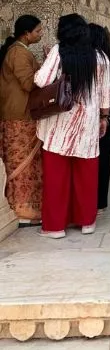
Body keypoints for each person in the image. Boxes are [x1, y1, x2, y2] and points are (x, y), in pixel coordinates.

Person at [34, 14, 110, 239]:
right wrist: (104, 118)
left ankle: (55, 227)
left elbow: (41, 80)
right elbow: (105, 93)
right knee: (86, 175)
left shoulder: (58, 52)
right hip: (87, 123)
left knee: (56, 178)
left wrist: (47, 62)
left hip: (59, 124)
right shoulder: (100, 57)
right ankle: (87, 222)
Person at [0, 15, 43, 226]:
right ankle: (22, 212)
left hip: (23, 115)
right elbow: (28, 83)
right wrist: (46, 70)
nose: (41, 34)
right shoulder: (18, 53)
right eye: (38, 31)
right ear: (26, 34)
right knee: (21, 166)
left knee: (30, 165)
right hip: (18, 116)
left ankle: (29, 210)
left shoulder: (22, 51)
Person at [89, 24, 110, 211]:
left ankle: (91, 199)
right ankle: (101, 201)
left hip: (99, 113)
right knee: (105, 156)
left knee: (92, 157)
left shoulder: (93, 59)